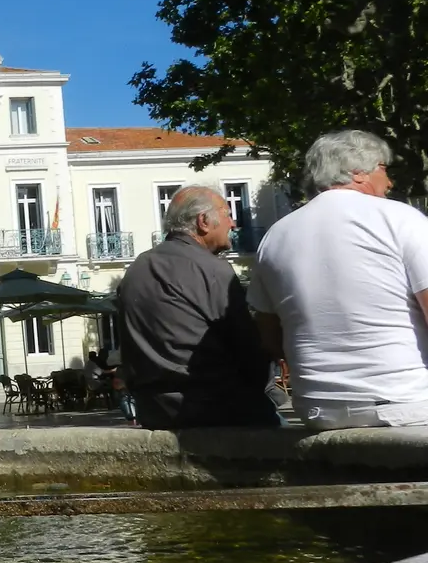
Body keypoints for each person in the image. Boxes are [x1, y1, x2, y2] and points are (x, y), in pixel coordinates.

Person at [249, 130, 428, 430]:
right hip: (406, 403)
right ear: (358, 172)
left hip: (319, 410)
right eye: (383, 168)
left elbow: (269, 336)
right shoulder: (401, 218)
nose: (389, 182)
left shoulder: (276, 235)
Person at [117, 185, 276, 429]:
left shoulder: (136, 269)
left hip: (154, 411)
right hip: (217, 410)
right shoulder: (213, 270)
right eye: (227, 214)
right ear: (203, 221)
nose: (232, 224)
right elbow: (249, 352)